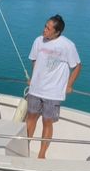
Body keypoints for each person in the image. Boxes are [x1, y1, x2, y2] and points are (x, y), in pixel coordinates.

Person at [26, 14, 82, 159]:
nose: (44, 30)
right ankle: (25, 147)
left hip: (53, 92)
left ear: (57, 32)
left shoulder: (67, 45)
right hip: (36, 90)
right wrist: (33, 78)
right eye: (45, 26)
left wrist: (69, 85)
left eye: (48, 28)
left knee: (47, 121)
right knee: (30, 117)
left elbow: (77, 66)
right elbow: (34, 60)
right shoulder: (38, 41)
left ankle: (41, 154)